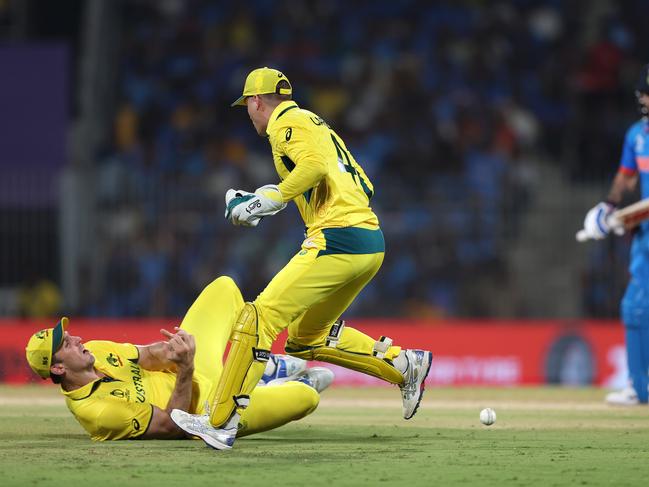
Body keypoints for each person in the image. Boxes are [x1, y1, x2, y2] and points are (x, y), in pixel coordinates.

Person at [170, 67, 433, 450]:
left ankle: (221, 420)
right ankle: (403, 365)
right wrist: (266, 196)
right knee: (305, 339)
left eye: (248, 106)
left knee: (258, 317)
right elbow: (363, 183)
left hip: (337, 239)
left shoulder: (285, 125)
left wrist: (268, 200)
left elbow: (312, 168)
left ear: (257, 102)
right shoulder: (316, 124)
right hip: (369, 242)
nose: (249, 114)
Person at [25, 276, 334, 442]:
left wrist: (175, 350)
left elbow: (146, 355)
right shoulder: (99, 413)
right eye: (66, 344)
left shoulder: (97, 350)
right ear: (57, 367)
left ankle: (258, 369)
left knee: (224, 288)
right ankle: (258, 377)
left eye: (68, 335)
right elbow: (175, 426)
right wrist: (184, 369)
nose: (76, 338)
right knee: (306, 397)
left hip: (194, 370)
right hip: (206, 412)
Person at [577, 64, 649, 406]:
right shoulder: (637, 134)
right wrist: (609, 208)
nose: (644, 100)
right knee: (634, 308)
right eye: (643, 95)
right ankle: (640, 388)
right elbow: (627, 177)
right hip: (646, 238)